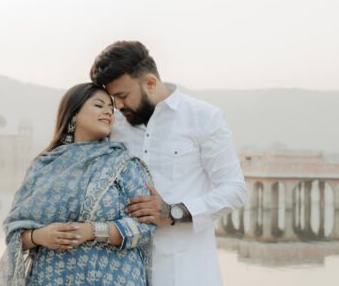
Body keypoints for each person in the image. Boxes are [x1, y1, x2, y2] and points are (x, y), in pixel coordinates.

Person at [90, 41, 248, 286]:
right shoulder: (114, 125)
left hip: (185, 273)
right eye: (113, 98)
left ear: (150, 83)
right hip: (122, 272)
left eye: (122, 96)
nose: (118, 106)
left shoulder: (203, 118)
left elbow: (235, 190)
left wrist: (174, 212)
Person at [0, 82, 156, 286]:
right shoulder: (44, 166)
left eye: (111, 108)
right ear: (73, 114)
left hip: (113, 278)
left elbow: (145, 227)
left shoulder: (124, 165)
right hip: (51, 279)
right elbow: (14, 232)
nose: (108, 111)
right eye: (99, 105)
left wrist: (93, 231)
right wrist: (40, 236)